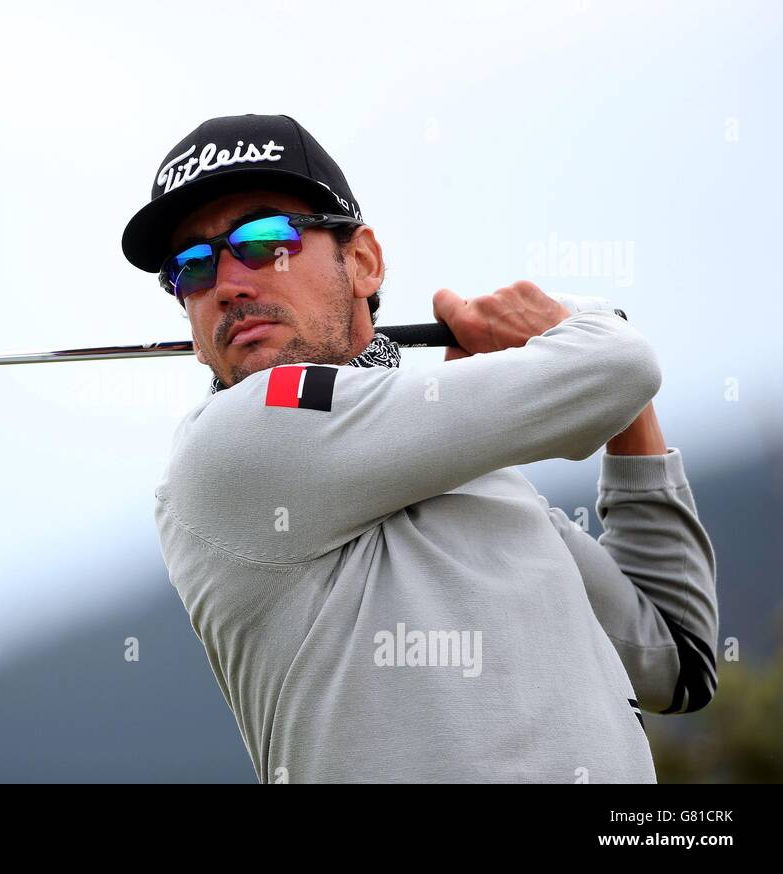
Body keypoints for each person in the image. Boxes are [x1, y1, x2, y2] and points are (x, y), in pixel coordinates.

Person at [121, 113, 718, 783]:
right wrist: (577, 322)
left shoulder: (483, 483)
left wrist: (614, 399)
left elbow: (680, 659)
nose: (228, 283)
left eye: (265, 241)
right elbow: (621, 365)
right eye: (192, 267)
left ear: (363, 261)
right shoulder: (232, 441)